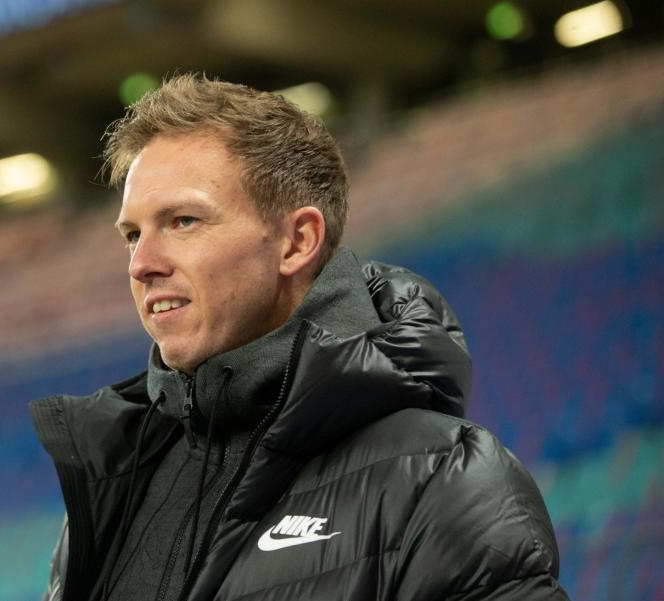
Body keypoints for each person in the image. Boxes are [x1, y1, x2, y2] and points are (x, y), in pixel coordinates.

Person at [30, 74, 568, 601]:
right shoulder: (110, 494)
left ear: (297, 242)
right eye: (132, 235)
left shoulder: (440, 480)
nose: (142, 264)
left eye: (184, 221)